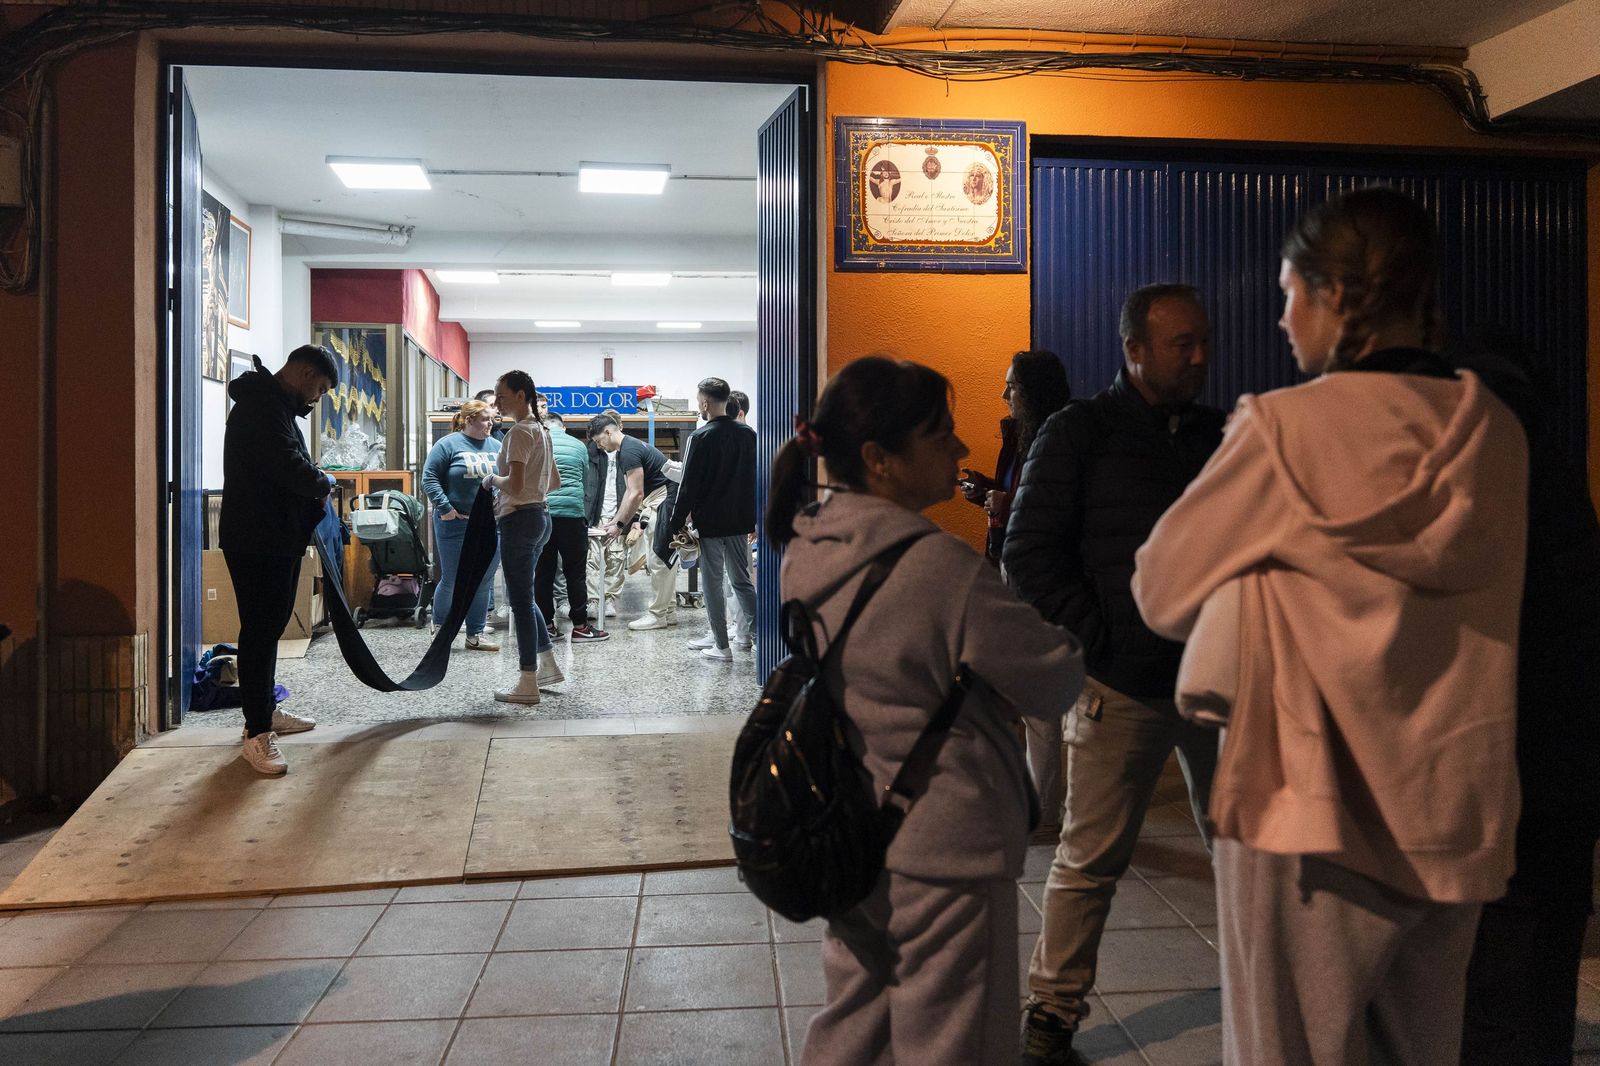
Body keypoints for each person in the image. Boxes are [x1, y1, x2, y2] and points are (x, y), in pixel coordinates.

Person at [1132, 187, 1528, 1065]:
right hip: (1453, 805)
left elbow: (1159, 589)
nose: (1281, 320)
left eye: (1289, 294)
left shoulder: (1284, 430)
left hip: (1307, 813)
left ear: (1338, 296)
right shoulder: (1495, 433)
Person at [772, 356, 1083, 1065]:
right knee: (954, 1041)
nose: (962, 448)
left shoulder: (811, 548)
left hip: (850, 824)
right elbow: (1054, 679)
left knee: (856, 1025)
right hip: (945, 841)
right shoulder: (940, 568)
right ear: (879, 459)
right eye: (940, 434)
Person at [1004, 283, 1223, 1064]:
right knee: (1090, 861)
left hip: (1218, 684)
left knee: (1242, 845)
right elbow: (1027, 554)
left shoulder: (1219, 434)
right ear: (1133, 348)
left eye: (1203, 341)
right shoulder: (1078, 434)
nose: (1199, 357)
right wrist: (1100, 643)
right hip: (1119, 687)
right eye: (1181, 344)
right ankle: (1051, 1017)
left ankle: (1272, 980)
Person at [1452, 328, 1600, 1064]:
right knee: (1539, 974)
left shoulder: (1467, 474)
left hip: (1502, 768)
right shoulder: (1555, 473)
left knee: (1494, 975)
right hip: (1563, 770)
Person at [220, 345, 337, 775]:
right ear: (305, 373)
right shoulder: (261, 408)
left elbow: (288, 464)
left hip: (275, 536)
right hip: (257, 538)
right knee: (259, 630)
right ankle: (256, 732)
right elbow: (288, 467)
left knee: (268, 627)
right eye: (320, 388)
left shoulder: (276, 408)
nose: (317, 398)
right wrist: (324, 480)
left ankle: (265, 712)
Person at [484, 370, 564, 704]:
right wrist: (529, 487)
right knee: (525, 595)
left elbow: (513, 485)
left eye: (502, 396)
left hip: (519, 520)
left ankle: (527, 681)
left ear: (520, 395)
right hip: (540, 517)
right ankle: (547, 664)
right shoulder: (542, 431)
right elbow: (555, 482)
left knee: (519, 600)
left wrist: (492, 479)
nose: (497, 402)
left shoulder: (518, 432)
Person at [670, 377, 757, 661]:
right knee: (742, 581)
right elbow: (754, 479)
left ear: (706, 403)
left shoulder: (701, 437)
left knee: (712, 583)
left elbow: (689, 484)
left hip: (711, 522)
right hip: (740, 520)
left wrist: (676, 520)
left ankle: (722, 646)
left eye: (698, 402)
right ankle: (759, 639)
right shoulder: (749, 435)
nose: (699, 407)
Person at [960, 350, 1071, 565]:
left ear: (1034, 391)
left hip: (1039, 561)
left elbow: (1058, 506)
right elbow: (1014, 492)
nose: (1003, 395)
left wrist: (1007, 503)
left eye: (1011, 387)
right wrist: (982, 489)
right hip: (1010, 556)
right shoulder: (1017, 435)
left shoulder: (1059, 440)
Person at [420, 399, 501, 652]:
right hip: (455, 523)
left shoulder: (498, 446)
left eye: (492, 419)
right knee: (453, 579)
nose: (491, 423)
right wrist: (445, 509)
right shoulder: (448, 444)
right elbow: (429, 478)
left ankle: (475, 633)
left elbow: (507, 479)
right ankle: (442, 630)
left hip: (489, 524)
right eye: (485, 419)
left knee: (483, 580)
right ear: (468, 420)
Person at [584, 413, 678, 630]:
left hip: (665, 499)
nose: (599, 446)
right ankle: (669, 610)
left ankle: (658, 614)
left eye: (599, 441)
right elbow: (630, 492)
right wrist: (618, 521)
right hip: (660, 499)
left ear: (608, 432)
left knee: (658, 560)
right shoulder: (630, 448)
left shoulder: (628, 451)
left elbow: (636, 493)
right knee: (663, 559)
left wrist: (618, 525)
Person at [537, 411, 607, 643]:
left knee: (544, 572)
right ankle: (580, 626)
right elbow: (586, 482)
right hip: (572, 515)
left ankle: (546, 626)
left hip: (543, 514)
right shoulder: (579, 446)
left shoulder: (538, 442)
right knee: (575, 572)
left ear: (544, 427)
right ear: (563, 427)